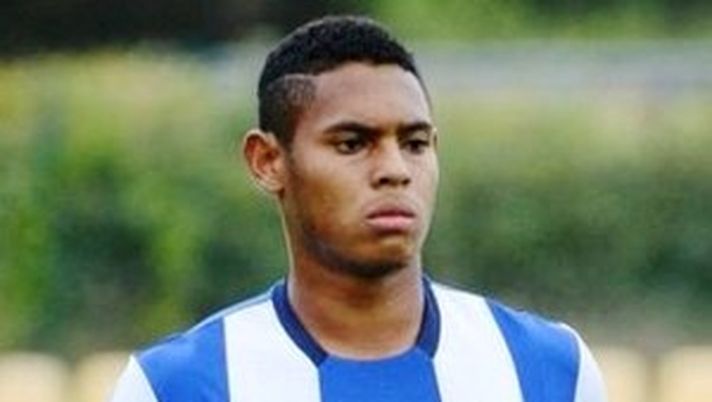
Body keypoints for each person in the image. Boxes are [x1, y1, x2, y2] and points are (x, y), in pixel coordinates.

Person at [109, 15, 607, 402]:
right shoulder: (177, 386)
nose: (395, 169)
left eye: (414, 143)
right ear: (267, 162)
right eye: (352, 144)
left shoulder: (550, 370)